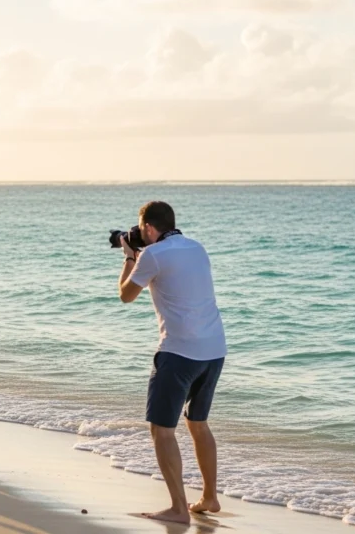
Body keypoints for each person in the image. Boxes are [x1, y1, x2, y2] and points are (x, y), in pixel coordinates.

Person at [117, 201, 227, 525]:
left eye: (141, 229)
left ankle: (179, 509)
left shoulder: (152, 255)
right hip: (214, 350)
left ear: (149, 228)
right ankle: (210, 497)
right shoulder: (197, 248)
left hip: (178, 352)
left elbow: (126, 295)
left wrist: (128, 257)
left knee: (162, 430)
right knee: (198, 423)